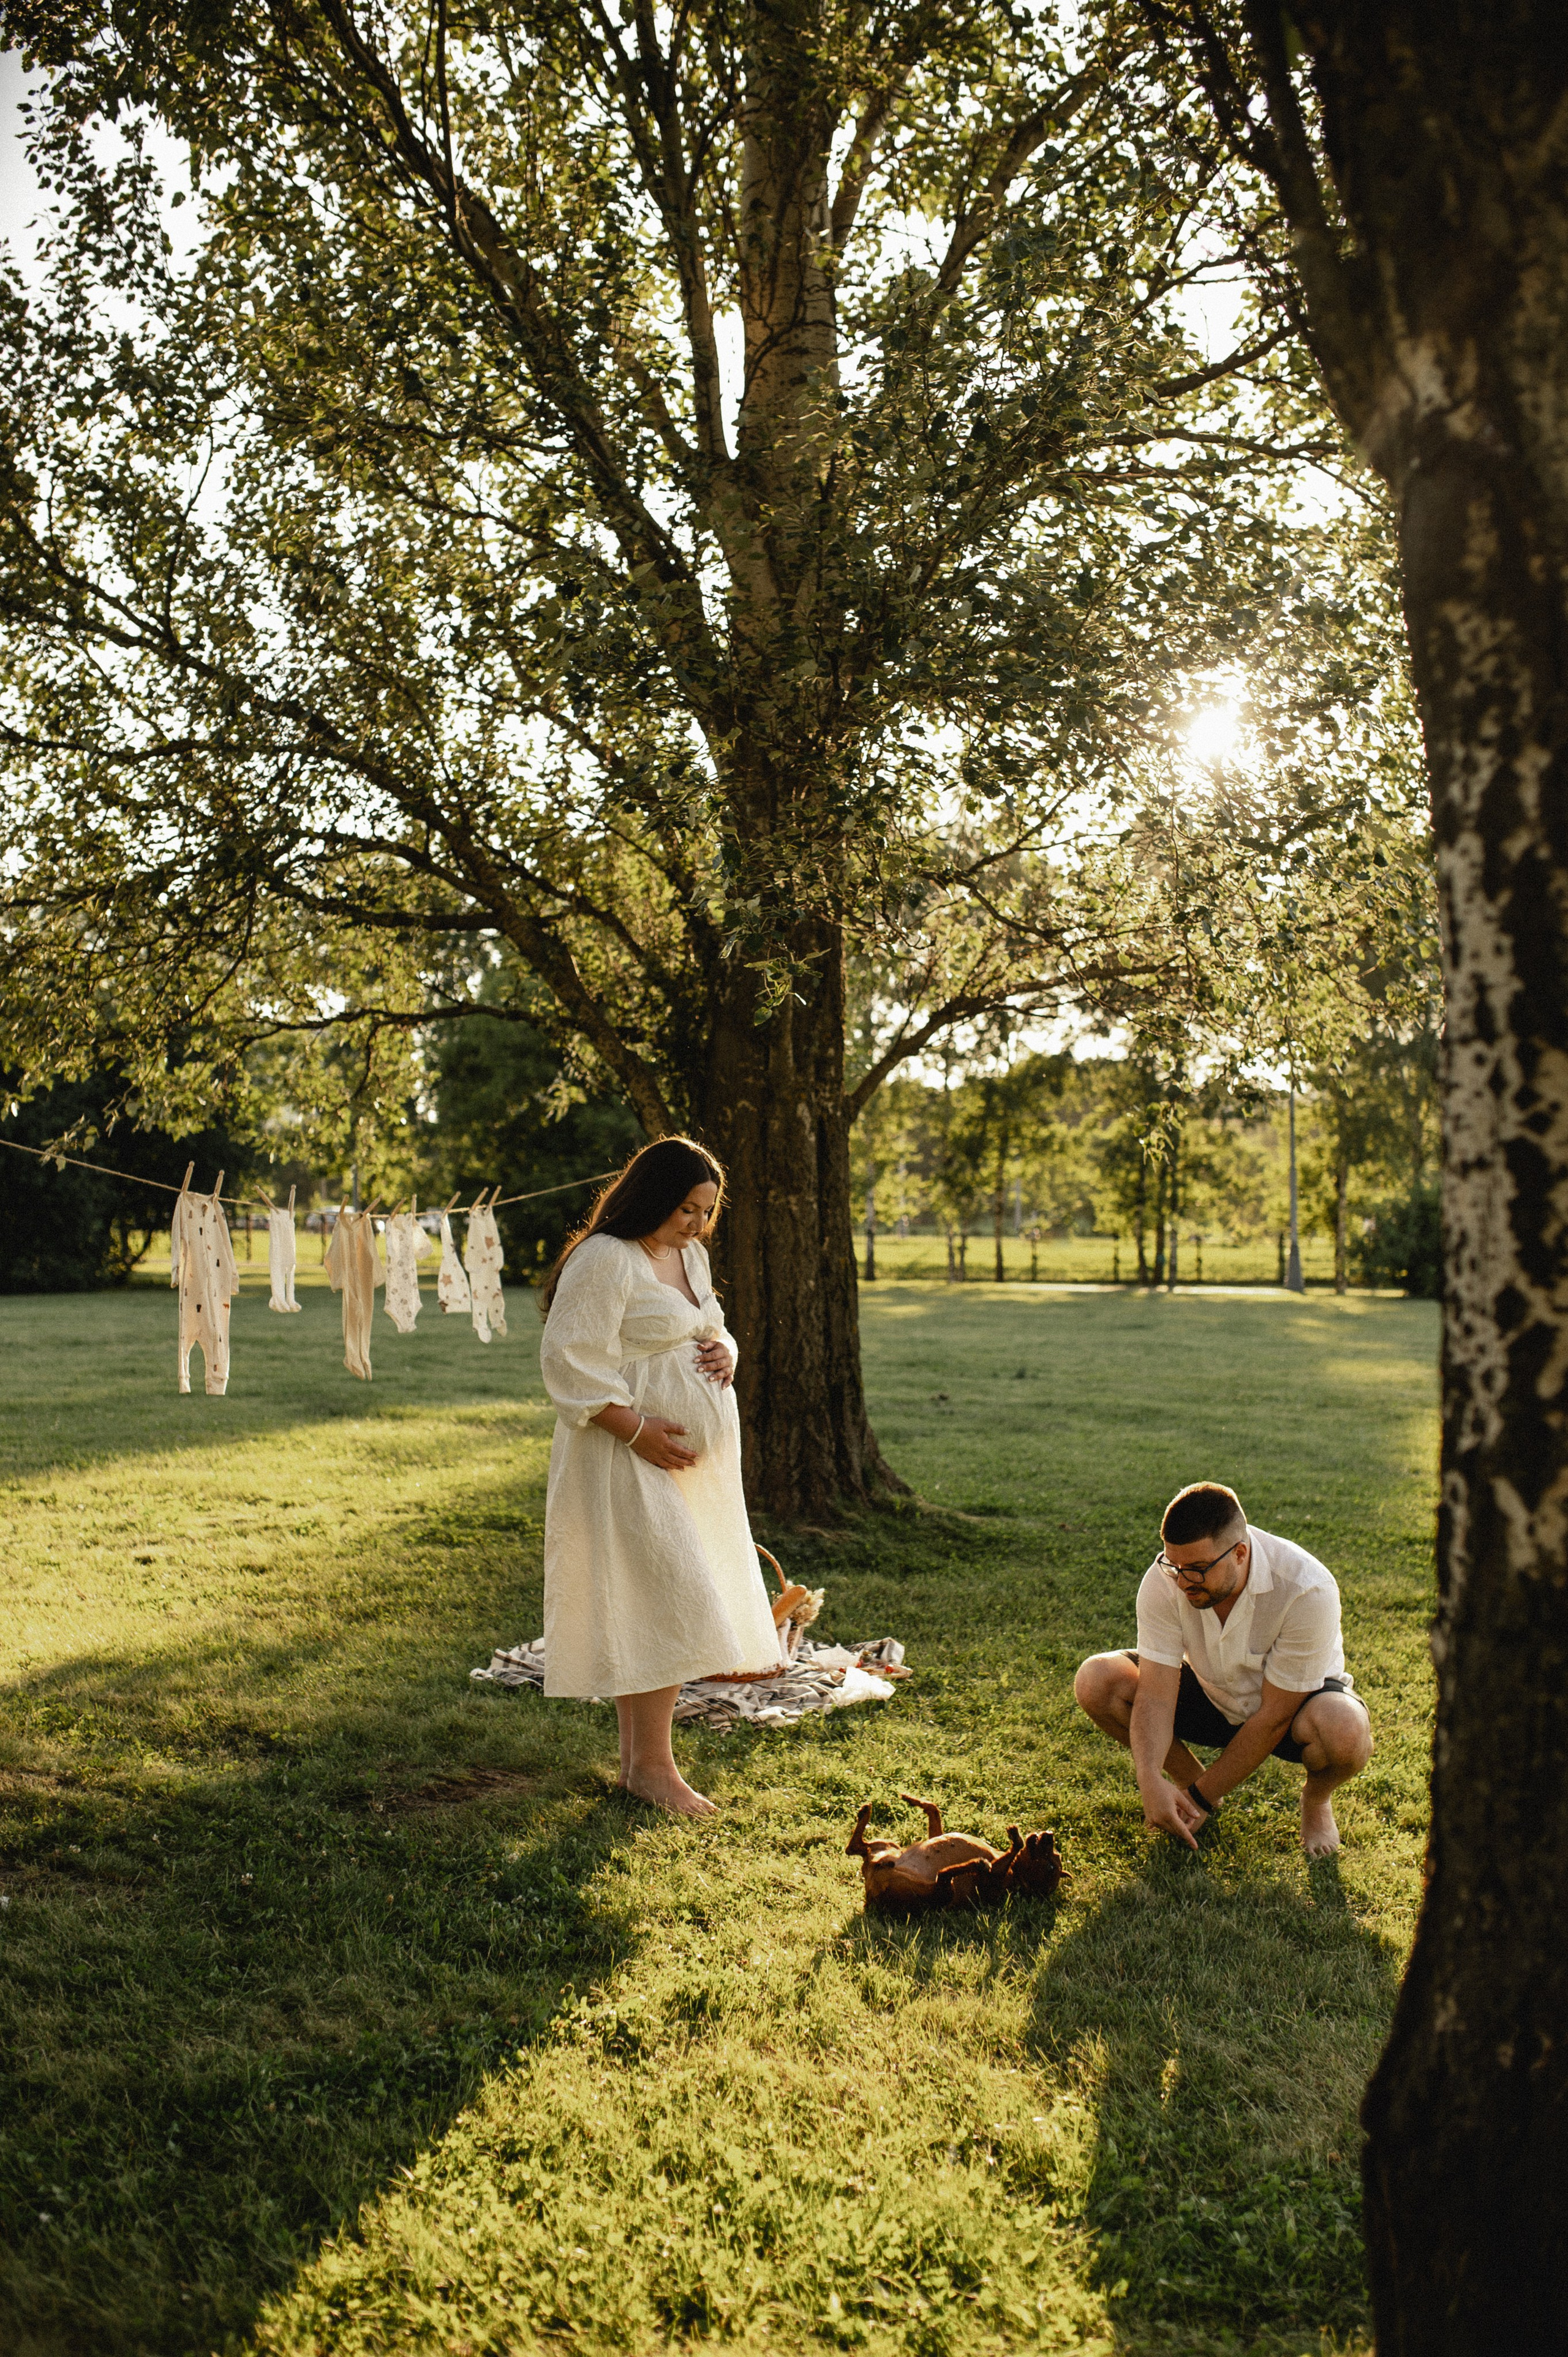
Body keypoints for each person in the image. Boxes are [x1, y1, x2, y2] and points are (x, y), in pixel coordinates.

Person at [538, 1137, 784, 1816]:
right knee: (663, 1593)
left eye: (706, 1211)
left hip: (690, 1467)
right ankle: (653, 1768)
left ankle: (639, 1766)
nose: (696, 1224)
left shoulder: (688, 1255)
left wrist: (726, 1350)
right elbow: (568, 1359)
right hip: (622, 1452)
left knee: (659, 1594)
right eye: (684, 1208)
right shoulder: (604, 1258)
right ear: (649, 1195)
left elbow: (708, 1323)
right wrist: (639, 1429)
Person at [1073, 1481, 1373, 1857]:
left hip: (1292, 1710)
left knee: (1345, 1732)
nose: (1183, 1581)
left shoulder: (1305, 1587)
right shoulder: (1167, 1579)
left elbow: (1273, 1718)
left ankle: (1315, 1800)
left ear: (1240, 1553)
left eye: (1198, 1569)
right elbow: (1155, 1695)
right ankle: (1188, 1779)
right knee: (1096, 1680)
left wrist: (1201, 1799)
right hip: (1211, 1693)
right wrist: (1149, 1777)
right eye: (1175, 1565)